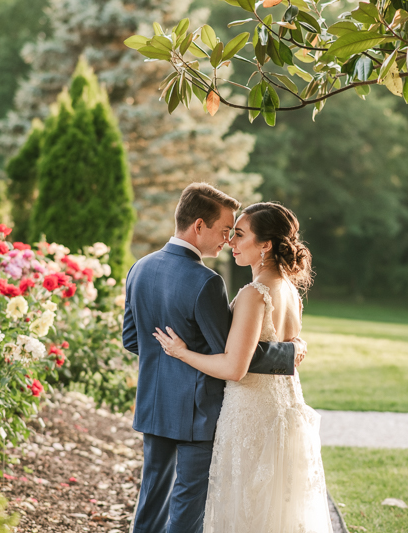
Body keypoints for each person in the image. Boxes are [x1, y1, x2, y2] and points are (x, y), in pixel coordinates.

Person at [123, 184, 307, 533]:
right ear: (198, 226)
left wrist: (169, 358)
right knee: (187, 510)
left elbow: (134, 339)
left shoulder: (140, 268)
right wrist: (290, 351)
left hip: (154, 405)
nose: (227, 240)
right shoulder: (206, 282)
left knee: (151, 502)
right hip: (198, 413)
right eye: (225, 231)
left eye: (235, 233)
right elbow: (231, 353)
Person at [154, 202, 333, 533]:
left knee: (247, 508)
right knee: (275, 508)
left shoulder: (255, 294)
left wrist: (181, 352)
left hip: (251, 411)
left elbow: (235, 368)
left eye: (239, 234)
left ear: (265, 244)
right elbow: (285, 350)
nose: (230, 242)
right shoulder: (290, 290)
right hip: (284, 408)